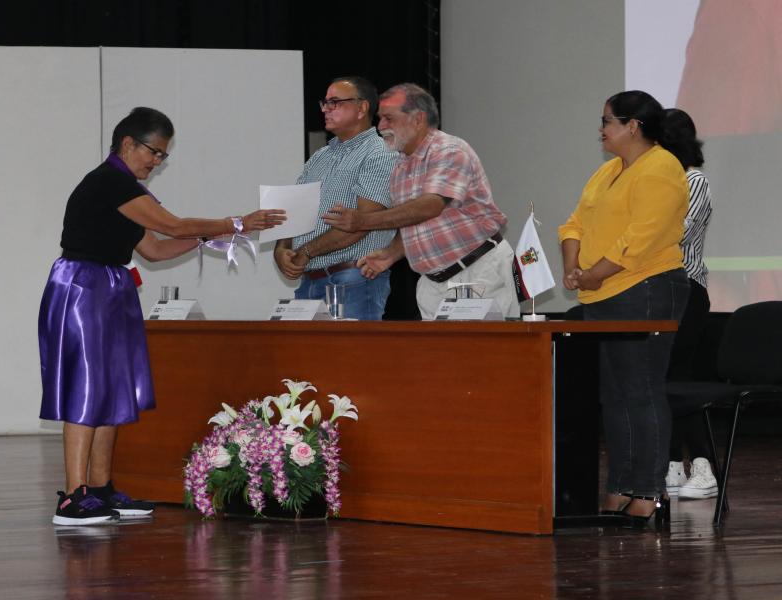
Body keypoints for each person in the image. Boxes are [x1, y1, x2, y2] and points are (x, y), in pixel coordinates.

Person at [39, 107, 285, 525]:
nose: (157, 161)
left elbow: (154, 250)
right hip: (83, 287)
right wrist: (236, 223)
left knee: (111, 389)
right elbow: (172, 226)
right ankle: (72, 499)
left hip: (110, 286)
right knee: (86, 389)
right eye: (154, 152)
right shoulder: (110, 182)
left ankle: (99, 489)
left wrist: (212, 233)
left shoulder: (127, 191)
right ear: (127, 143)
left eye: (162, 155)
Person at [558, 91, 690, 529]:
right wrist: (574, 268)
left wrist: (593, 273)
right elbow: (574, 223)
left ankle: (648, 490)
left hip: (645, 287)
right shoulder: (608, 170)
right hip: (602, 293)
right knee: (612, 394)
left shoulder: (662, 167)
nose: (601, 129)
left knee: (640, 389)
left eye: (607, 121)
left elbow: (641, 237)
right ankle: (620, 485)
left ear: (633, 126)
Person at [321, 83, 519, 320]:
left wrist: (362, 221)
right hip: (432, 282)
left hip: (477, 272)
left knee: (484, 345)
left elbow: (430, 206)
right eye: (380, 119)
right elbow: (416, 224)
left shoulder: (449, 150)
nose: (380, 126)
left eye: (389, 118)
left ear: (418, 119)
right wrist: (391, 254)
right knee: (433, 347)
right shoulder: (401, 165)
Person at [273, 76, 398, 320]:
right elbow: (294, 206)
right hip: (310, 279)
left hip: (353, 280)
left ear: (362, 108)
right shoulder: (321, 156)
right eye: (325, 103)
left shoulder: (381, 152)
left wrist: (306, 252)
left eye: (335, 102)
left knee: (351, 347)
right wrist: (281, 249)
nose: (325, 109)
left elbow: (363, 223)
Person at [662, 107, 717, 500]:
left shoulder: (693, 180)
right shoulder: (653, 181)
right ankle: (671, 466)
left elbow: (674, 234)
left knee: (677, 378)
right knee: (661, 379)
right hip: (657, 291)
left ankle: (703, 465)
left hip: (687, 290)